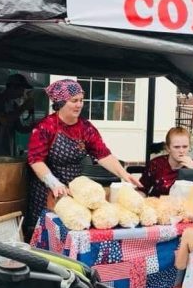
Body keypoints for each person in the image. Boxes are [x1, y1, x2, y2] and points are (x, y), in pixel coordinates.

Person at [26, 79, 142, 235]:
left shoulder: (85, 128)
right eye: (74, 100)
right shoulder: (45, 127)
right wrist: (55, 184)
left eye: (81, 100)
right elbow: (35, 160)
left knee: (74, 230)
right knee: (49, 236)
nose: (79, 105)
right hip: (47, 192)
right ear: (60, 103)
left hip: (75, 191)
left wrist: (124, 174)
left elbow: (103, 154)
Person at [139, 127, 193, 197]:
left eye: (185, 147)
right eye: (176, 147)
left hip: (185, 207)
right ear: (168, 148)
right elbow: (142, 189)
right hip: (158, 205)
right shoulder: (156, 164)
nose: (181, 151)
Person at [0, 73, 35, 156]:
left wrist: (35, 125)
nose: (22, 94)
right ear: (12, 87)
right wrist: (24, 106)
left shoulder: (14, 104)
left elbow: (20, 128)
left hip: (8, 150)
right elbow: (5, 120)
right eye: (21, 90)